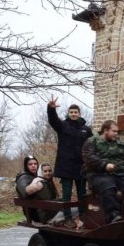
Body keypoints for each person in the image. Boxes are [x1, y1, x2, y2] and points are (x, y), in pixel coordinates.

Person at [47, 96, 93, 228]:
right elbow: (53, 121)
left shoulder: (86, 129)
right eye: (71, 112)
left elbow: (91, 146)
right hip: (66, 166)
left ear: (79, 114)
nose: (73, 114)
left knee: (81, 194)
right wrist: (51, 109)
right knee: (66, 194)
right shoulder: (63, 126)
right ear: (68, 113)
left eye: (75, 112)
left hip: (80, 166)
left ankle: (83, 215)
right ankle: (67, 218)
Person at [15, 156, 57, 223]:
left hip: (39, 210)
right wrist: (36, 181)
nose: (33, 166)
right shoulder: (23, 177)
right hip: (35, 214)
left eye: (35, 164)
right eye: (30, 164)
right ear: (26, 165)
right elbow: (26, 191)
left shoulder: (33, 176)